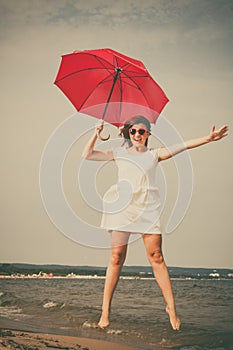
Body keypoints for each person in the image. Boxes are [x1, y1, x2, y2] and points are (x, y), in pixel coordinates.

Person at [82, 115, 228, 331]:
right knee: (116, 258)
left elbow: (183, 146)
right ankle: (105, 311)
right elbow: (87, 155)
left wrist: (208, 139)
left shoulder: (154, 155)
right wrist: (95, 134)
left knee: (156, 257)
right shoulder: (119, 153)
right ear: (128, 133)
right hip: (121, 207)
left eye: (142, 131)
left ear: (148, 134)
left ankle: (171, 308)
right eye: (133, 131)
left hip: (147, 208)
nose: (137, 135)